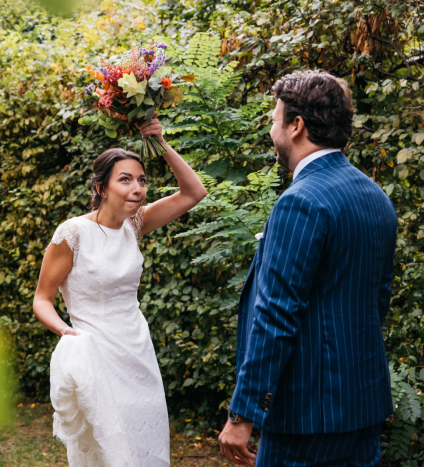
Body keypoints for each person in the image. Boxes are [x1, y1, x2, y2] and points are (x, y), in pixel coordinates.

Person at [218, 71, 398, 466]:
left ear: (296, 125)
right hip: (362, 406)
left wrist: (243, 412)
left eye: (274, 116)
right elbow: (376, 301)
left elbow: (276, 314)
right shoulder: (376, 197)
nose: (270, 124)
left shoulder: (300, 201)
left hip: (305, 416)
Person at [32, 117, 207, 466]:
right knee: (110, 448)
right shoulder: (73, 233)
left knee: (146, 441)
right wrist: (68, 333)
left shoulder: (135, 225)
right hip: (95, 353)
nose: (137, 188)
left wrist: (159, 142)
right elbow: (42, 299)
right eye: (125, 180)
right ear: (102, 188)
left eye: (141, 180)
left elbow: (194, 193)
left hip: (138, 351)